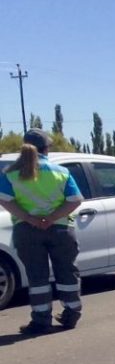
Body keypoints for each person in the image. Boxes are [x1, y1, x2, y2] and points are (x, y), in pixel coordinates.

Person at [0, 129, 84, 335]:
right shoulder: (61, 172)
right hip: (61, 229)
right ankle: (71, 314)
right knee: (67, 271)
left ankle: (41, 320)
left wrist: (30, 218)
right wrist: (51, 218)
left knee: (37, 277)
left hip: (27, 231)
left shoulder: (11, 174)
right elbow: (75, 200)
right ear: (46, 148)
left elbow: (5, 200)